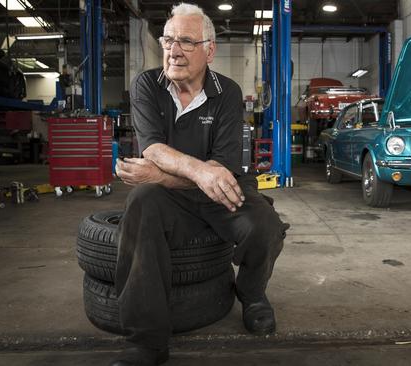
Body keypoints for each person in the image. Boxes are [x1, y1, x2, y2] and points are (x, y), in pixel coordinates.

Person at [112, 3, 286, 365]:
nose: (173, 51)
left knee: (265, 226)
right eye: (168, 40)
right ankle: (146, 342)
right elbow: (154, 148)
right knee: (141, 204)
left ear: (209, 50)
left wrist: (161, 173)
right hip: (171, 199)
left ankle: (252, 295)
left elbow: (219, 169)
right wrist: (186, 173)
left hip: (221, 192)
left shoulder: (228, 92)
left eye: (186, 42)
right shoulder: (146, 85)